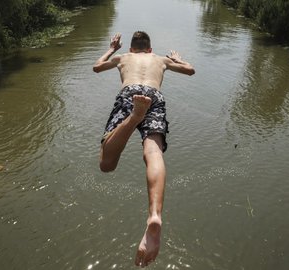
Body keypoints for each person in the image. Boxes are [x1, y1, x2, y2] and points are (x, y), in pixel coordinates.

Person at [92, 31, 195, 266]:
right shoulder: (160, 59)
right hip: (154, 97)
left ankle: (133, 118)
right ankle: (155, 215)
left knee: (106, 165)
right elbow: (190, 70)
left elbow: (96, 67)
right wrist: (177, 58)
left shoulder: (124, 57)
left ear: (131, 48)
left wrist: (112, 49)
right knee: (153, 152)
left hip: (130, 94)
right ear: (150, 49)